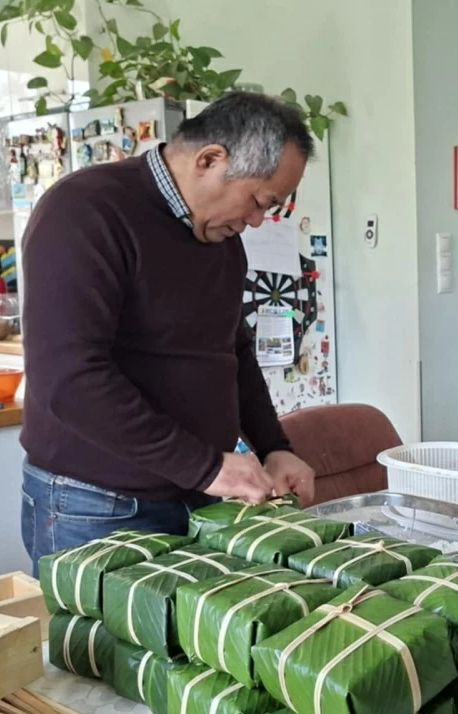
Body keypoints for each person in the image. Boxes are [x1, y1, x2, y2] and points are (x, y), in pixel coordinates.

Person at [19, 92, 318, 573]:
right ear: (209, 160)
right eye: (259, 201)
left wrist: (274, 446)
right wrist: (206, 466)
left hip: (196, 493)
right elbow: (69, 380)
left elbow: (234, 351)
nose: (259, 220)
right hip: (96, 505)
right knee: (98, 648)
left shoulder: (221, 238)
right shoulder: (84, 211)